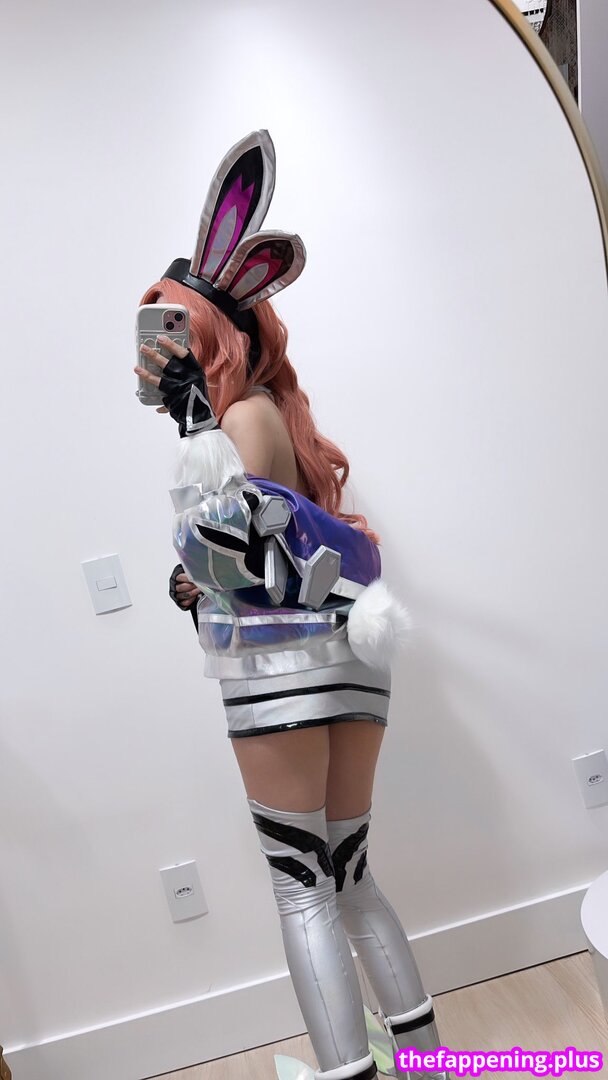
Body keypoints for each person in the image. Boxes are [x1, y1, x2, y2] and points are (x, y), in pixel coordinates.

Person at [135, 130, 450, 1080]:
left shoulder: (234, 418)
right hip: (350, 659)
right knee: (350, 876)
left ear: (206, 337)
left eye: (166, 328)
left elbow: (217, 539)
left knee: (302, 888)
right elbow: (258, 543)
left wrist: (190, 556)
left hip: (277, 668)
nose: (151, 351)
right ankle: (427, 1065)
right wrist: (202, 575)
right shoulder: (279, 420)